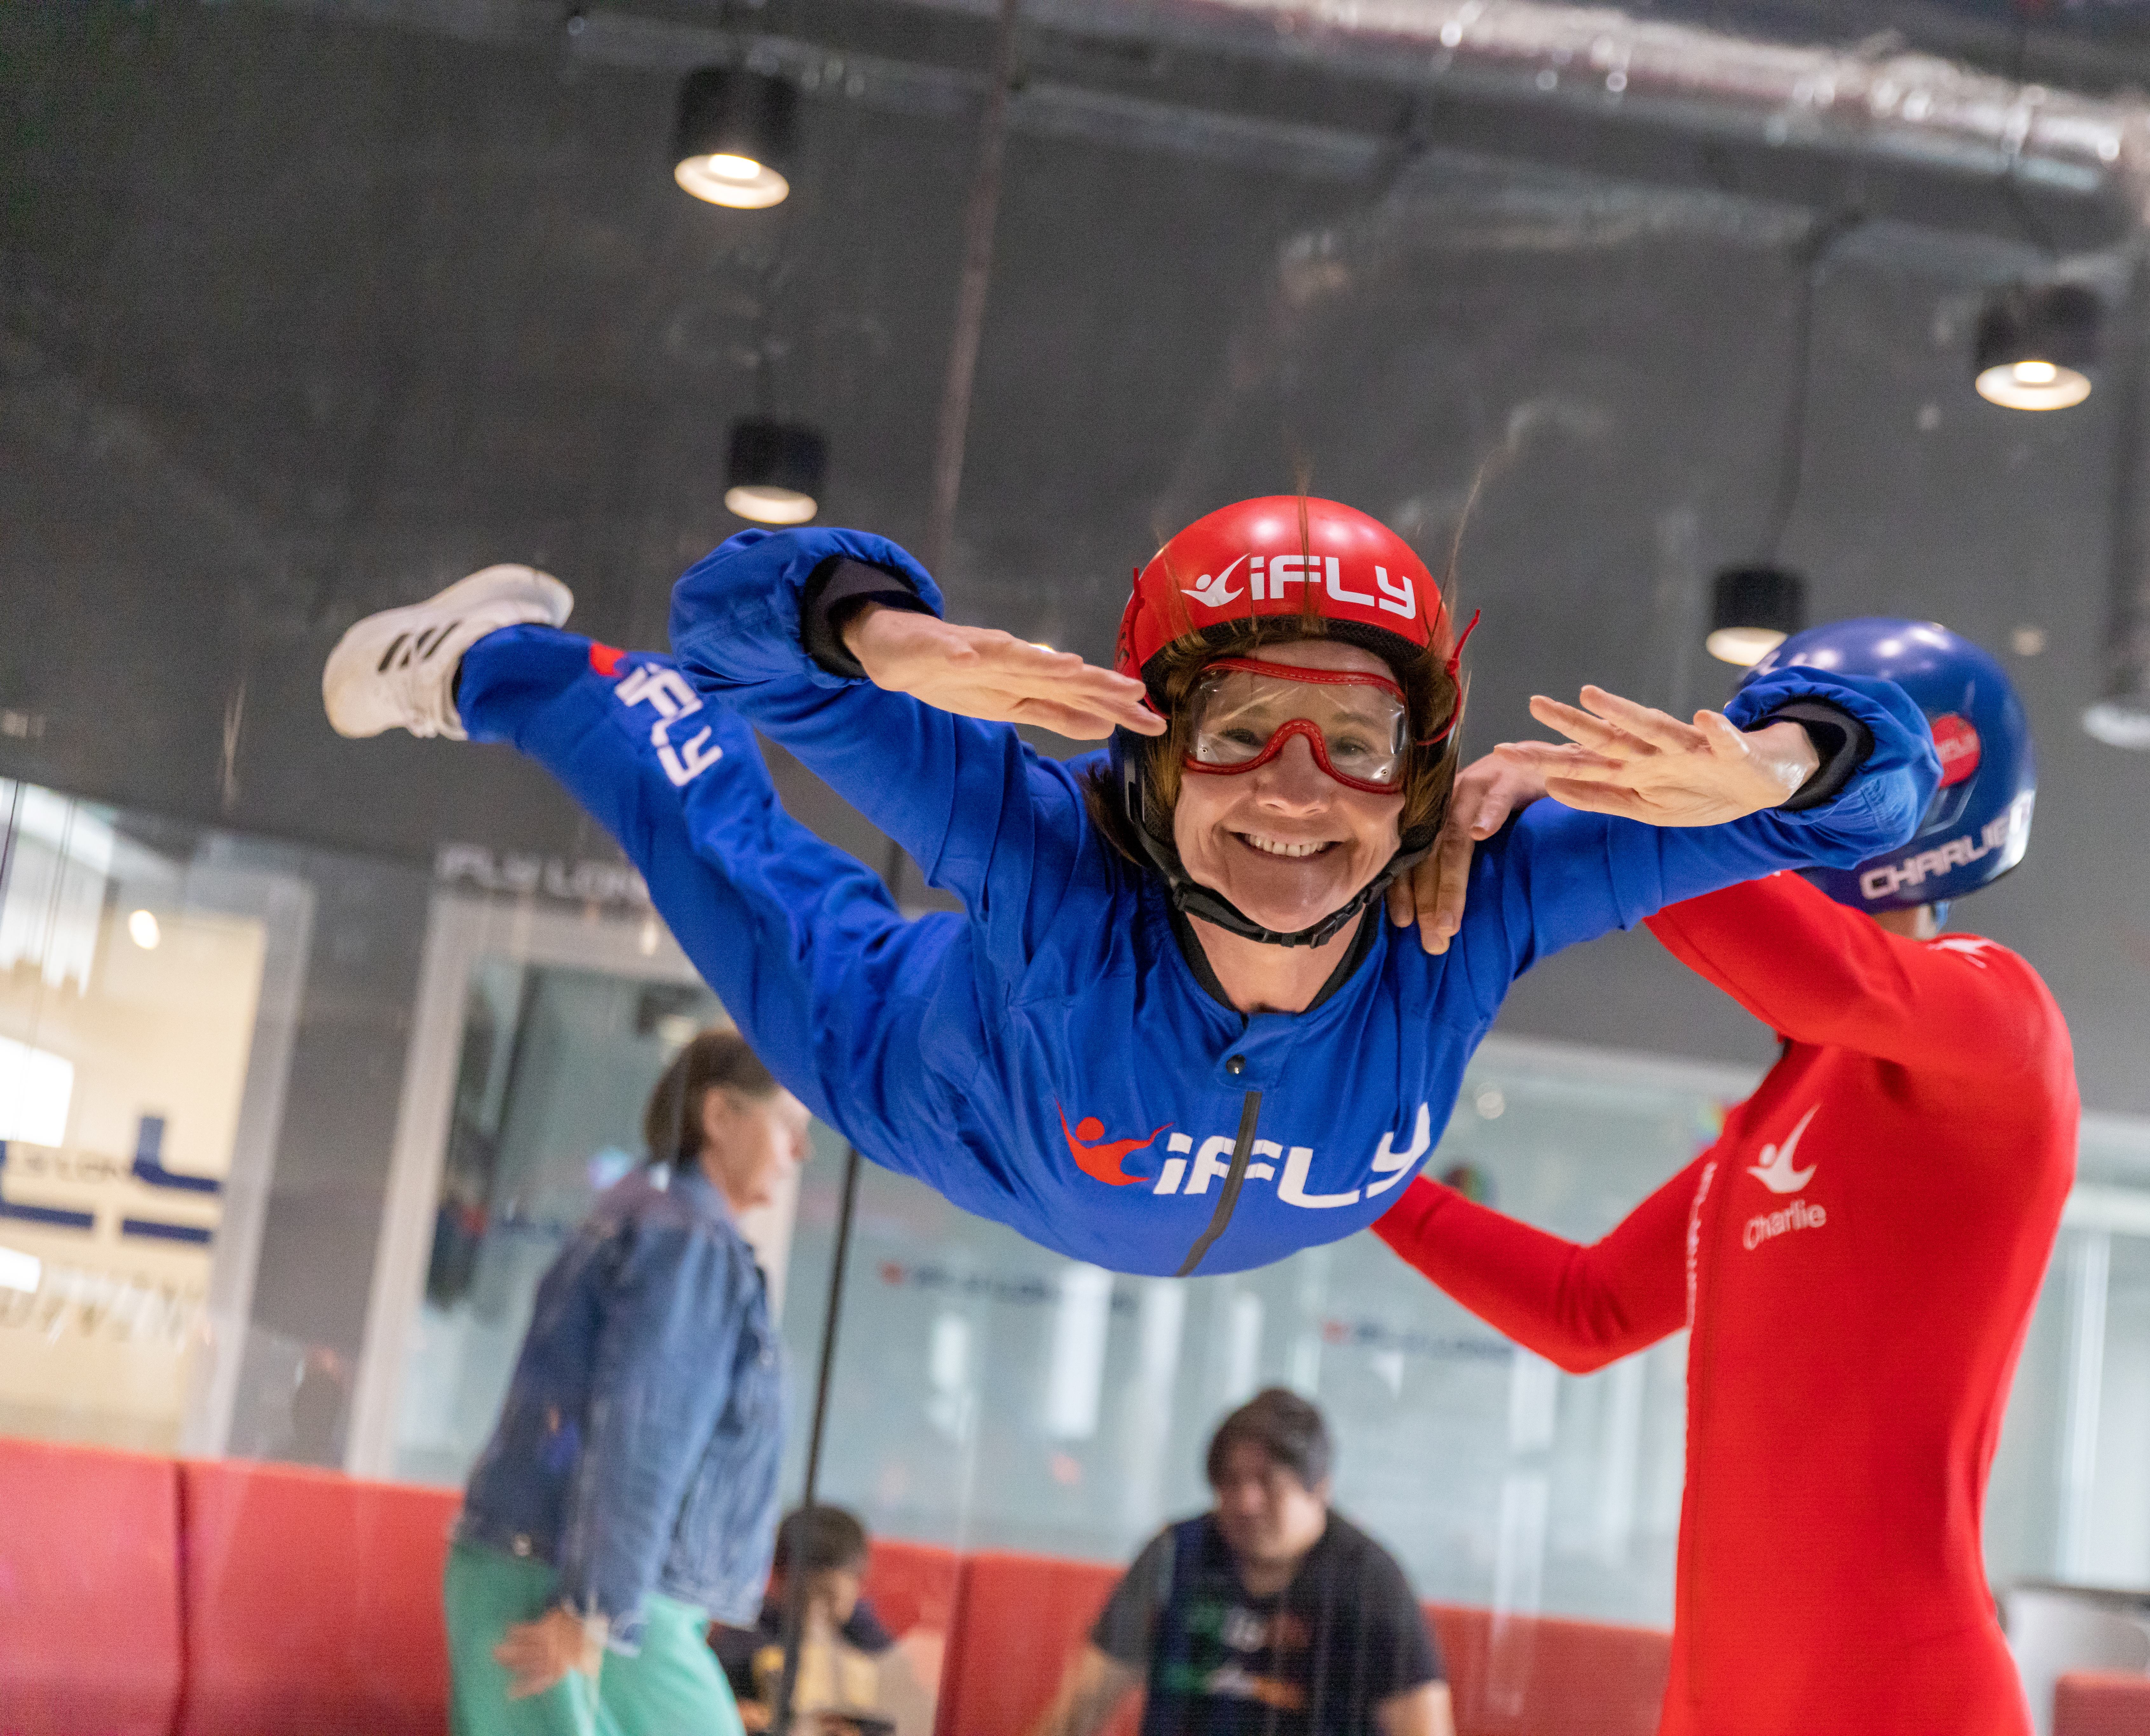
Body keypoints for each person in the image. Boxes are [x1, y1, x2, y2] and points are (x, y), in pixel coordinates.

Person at [324, 497, 1934, 1278]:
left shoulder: (1473, 899)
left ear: (1428, 774)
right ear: (1154, 758)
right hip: (919, 1077)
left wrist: (1779, 769)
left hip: (1116, 1172)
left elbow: (1902, 784)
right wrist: (882, 637)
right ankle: (503, 660)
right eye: (1241, 732)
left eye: (1357, 744)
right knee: (691, 797)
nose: (1300, 794)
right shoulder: (1053, 857)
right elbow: (733, 635)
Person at [1376, 620, 2075, 1736]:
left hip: (1903, 1704)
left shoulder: (2004, 1022)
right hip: (1716, 1704)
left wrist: (1605, 803)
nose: (1731, 807)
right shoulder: (1781, 1114)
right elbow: (1586, 1310)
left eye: (1769, 770)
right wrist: (1358, 1173)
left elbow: (1831, 980)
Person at [443, 1027, 815, 1735]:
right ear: (721, 1116)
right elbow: (646, 1433)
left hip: (551, 1572)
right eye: (790, 1124)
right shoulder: (688, 1243)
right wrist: (596, 1608)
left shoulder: (649, 1216)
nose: (801, 1151)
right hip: (576, 1590)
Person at [1023, 1389, 1451, 1736]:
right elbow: (1077, 1713)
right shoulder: (1176, 1555)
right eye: (1230, 1482)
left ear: (1319, 1490)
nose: (1247, 1502)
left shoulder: (1371, 1582)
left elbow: (1425, 1728)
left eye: (1268, 1484)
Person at [708, 1506, 939, 1736]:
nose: (814, 1612)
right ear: (777, 1580)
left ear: (860, 1585)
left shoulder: (873, 1644)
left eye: (830, 1597)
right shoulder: (744, 1639)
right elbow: (718, 1703)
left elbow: (911, 1710)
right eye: (802, 1598)